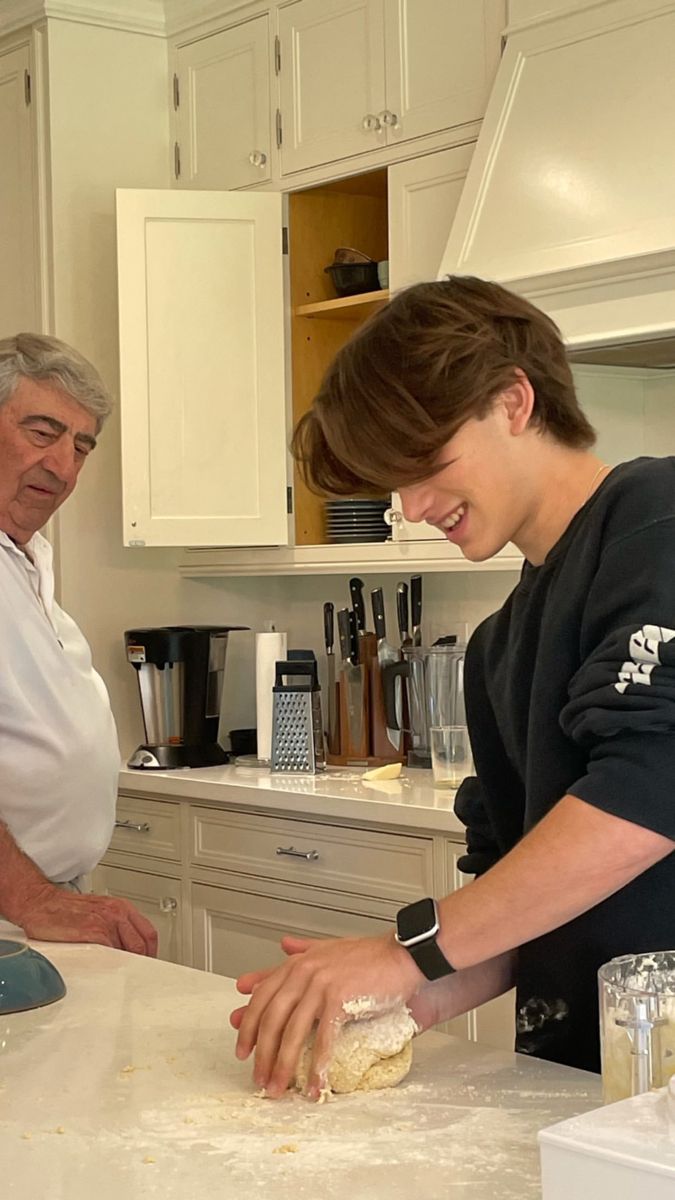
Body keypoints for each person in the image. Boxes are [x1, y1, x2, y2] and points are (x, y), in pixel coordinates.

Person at [230, 276, 675, 1098]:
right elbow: (515, 897)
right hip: (593, 1083)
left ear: (513, 400)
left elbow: (650, 790)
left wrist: (409, 948)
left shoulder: (658, 520)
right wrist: (405, 995)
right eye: (393, 482)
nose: (411, 505)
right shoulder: (497, 645)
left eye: (427, 465)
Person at [0, 332, 157, 956]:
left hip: (36, 905)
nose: (64, 467)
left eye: (81, 446)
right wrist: (32, 898)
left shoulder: (27, 558)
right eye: (42, 433)